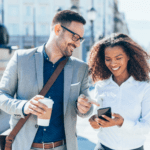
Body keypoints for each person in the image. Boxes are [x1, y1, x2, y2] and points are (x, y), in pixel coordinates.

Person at [0, 10, 98, 150]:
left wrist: (85, 108)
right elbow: (2, 95)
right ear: (58, 29)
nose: (77, 44)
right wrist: (24, 107)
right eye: (75, 37)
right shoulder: (21, 59)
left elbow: (86, 106)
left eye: (80, 39)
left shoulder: (80, 68)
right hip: (24, 146)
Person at [88, 33, 150, 150]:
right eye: (108, 59)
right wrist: (95, 122)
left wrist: (122, 123)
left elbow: (147, 127)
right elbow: (99, 122)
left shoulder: (144, 87)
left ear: (128, 56)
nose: (113, 63)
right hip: (103, 147)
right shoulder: (101, 86)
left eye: (118, 58)